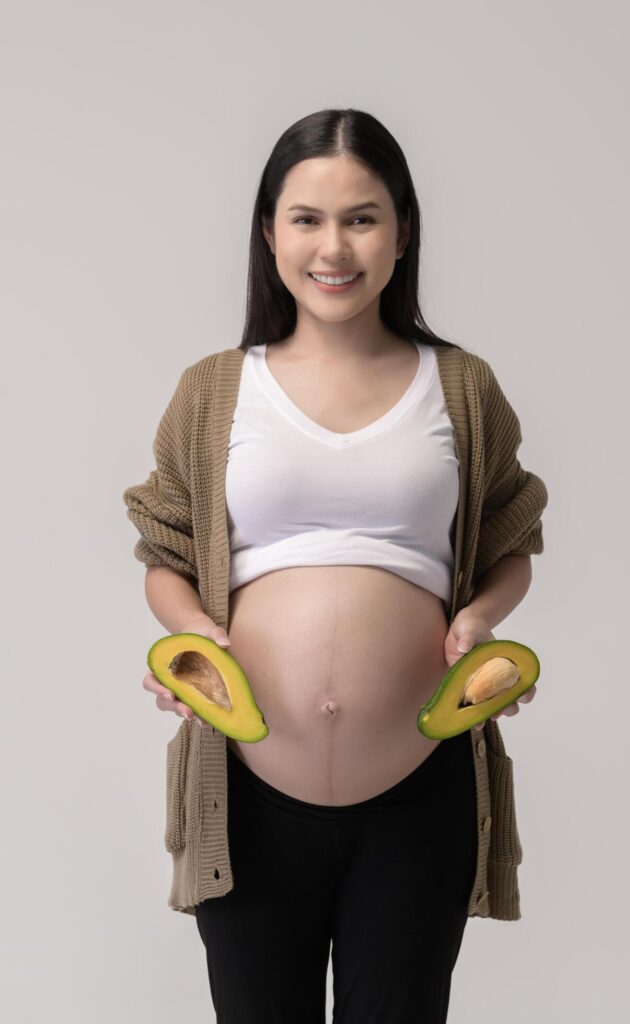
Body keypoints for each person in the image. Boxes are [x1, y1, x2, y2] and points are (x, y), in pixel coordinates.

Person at [123, 107, 548, 1024]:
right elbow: (164, 553)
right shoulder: (213, 388)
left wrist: (479, 624)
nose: (334, 247)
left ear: (402, 232)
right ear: (269, 231)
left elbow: (509, 542)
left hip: (419, 793)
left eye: (361, 217)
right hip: (243, 794)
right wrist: (193, 633)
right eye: (306, 218)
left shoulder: (461, 385)